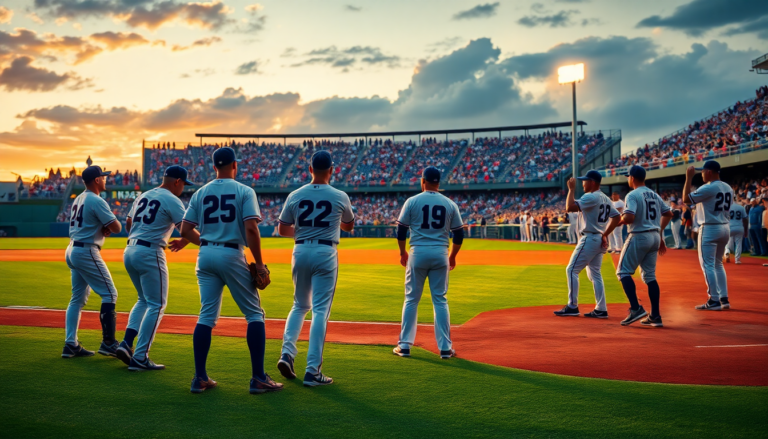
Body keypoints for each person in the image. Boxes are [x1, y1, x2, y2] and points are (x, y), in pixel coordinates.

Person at [180, 147, 281, 394]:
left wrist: (206, 242)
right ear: (235, 165)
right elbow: (251, 230)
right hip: (231, 253)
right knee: (255, 314)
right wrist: (258, 263)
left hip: (205, 255)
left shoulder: (200, 192)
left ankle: (200, 377)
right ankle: (258, 378)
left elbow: (184, 230)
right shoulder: (244, 190)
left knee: (206, 316)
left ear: (215, 166)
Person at [276, 151, 355, 387]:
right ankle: (312, 371)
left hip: (300, 251)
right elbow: (349, 226)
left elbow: (282, 229)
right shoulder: (340, 195)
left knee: (299, 305)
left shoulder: (295, 194)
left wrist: (303, 232)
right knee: (320, 311)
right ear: (332, 170)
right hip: (325, 252)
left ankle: (287, 354)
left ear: (309, 170)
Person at [116, 166, 196, 371]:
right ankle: (141, 356)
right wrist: (205, 242)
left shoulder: (144, 195)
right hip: (150, 251)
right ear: (177, 181)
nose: (183, 189)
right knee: (157, 304)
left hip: (130, 250)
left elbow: (128, 223)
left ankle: (126, 343)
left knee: (143, 300)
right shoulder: (171, 199)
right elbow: (187, 228)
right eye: (183, 185)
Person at [392, 166, 463, 360]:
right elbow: (459, 233)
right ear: (438, 183)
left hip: (418, 252)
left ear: (422, 181)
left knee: (411, 299)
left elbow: (400, 231)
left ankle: (405, 345)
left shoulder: (412, 201)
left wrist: (402, 252)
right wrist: (452, 256)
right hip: (440, 252)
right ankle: (445, 349)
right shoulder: (449, 204)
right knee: (440, 300)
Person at [62, 165, 122, 358]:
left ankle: (70, 344)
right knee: (110, 294)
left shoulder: (79, 198)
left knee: (77, 299)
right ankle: (109, 343)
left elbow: (94, 224)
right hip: (86, 250)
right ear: (96, 180)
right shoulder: (96, 200)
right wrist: (107, 226)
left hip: (72, 248)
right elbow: (117, 227)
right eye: (103, 177)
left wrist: (102, 227)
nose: (105, 180)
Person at [611, 165, 672, 327]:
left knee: (623, 271)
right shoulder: (654, 194)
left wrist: (621, 221)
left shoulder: (632, 195)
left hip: (639, 235)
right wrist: (659, 231)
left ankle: (635, 308)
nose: (628, 179)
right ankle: (655, 316)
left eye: (628, 177)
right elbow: (668, 213)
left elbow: (629, 217)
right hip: (654, 236)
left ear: (632, 178)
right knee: (650, 276)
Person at [554, 172, 619, 318]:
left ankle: (572, 306)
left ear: (593, 182)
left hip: (589, 238)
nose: (582, 183)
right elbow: (616, 217)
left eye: (585, 181)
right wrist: (605, 234)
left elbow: (569, 207)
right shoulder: (606, 198)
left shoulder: (591, 196)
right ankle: (601, 308)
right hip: (599, 239)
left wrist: (570, 190)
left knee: (571, 270)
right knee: (595, 274)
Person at [683, 161, 734, 310]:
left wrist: (688, 178)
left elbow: (686, 199)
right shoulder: (728, 187)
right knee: (718, 264)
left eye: (703, 171)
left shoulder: (708, 187)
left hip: (710, 227)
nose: (702, 173)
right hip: (725, 226)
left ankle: (714, 300)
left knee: (708, 265)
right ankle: (724, 298)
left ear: (710, 172)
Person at [724, 198, 748, 264]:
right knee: (738, 244)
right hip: (739, 227)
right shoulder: (741, 207)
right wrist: (746, 230)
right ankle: (737, 260)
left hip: (729, 227)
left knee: (727, 242)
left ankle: (727, 252)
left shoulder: (726, 207)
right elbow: (745, 219)